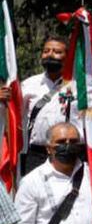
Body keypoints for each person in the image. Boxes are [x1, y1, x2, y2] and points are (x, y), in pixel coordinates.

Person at [20, 36, 71, 174]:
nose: (50, 54)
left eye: (57, 51)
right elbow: (12, 115)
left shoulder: (78, 86)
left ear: (68, 56)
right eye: (46, 51)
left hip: (68, 154)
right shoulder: (28, 84)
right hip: (36, 155)